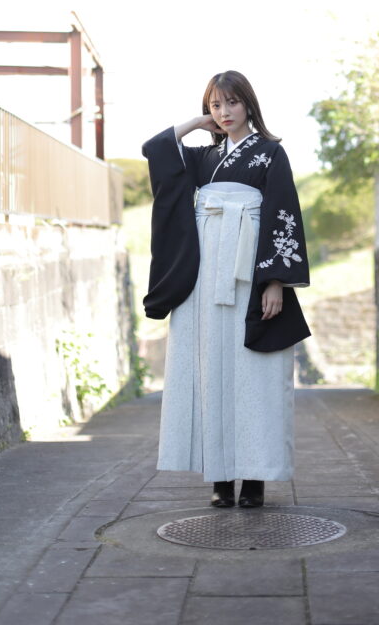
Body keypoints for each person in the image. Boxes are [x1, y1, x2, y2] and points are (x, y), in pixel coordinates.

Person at [141, 70, 311, 509]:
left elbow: (283, 213)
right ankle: (218, 475)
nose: (224, 112)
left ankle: (254, 478)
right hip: (204, 271)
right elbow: (155, 150)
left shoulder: (270, 153)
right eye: (215, 105)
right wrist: (198, 124)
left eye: (231, 102)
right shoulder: (204, 157)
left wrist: (275, 281)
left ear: (248, 103)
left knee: (253, 374)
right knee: (208, 368)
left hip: (249, 268)